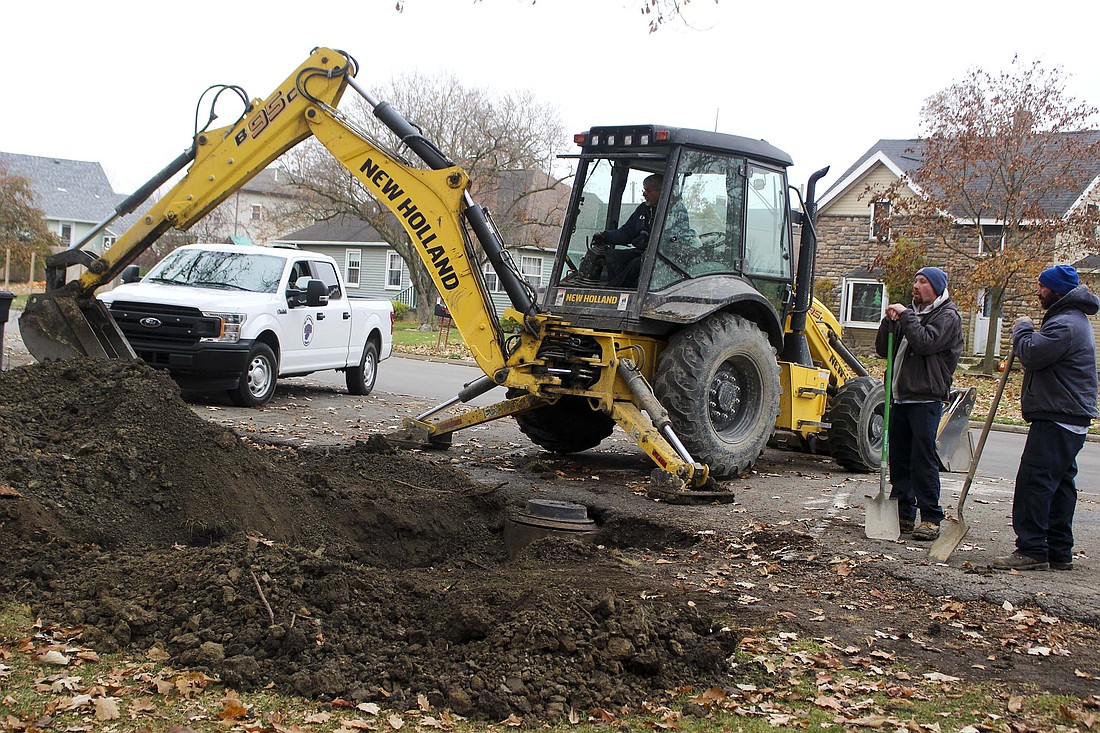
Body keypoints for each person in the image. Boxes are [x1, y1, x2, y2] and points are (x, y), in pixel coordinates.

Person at [991, 265, 1099, 571]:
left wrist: (1022, 328)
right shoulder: (1072, 320)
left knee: (1034, 483)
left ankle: (1033, 548)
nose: (1039, 292)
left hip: (1058, 416)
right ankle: (1059, 550)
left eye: (1042, 287)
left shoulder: (1065, 324)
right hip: (1068, 416)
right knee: (1060, 485)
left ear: (1056, 290)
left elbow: (1031, 353)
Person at [875, 266, 964, 541]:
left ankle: (930, 517)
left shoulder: (947, 316)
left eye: (923, 282)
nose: (916, 285)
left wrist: (906, 316)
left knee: (922, 458)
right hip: (900, 396)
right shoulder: (911, 314)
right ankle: (903, 511)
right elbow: (882, 349)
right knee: (899, 457)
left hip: (926, 396)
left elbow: (926, 342)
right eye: (915, 280)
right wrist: (889, 323)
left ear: (935, 287)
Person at [594, 173, 663, 287]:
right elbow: (627, 232)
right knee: (612, 255)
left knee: (638, 264)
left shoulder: (673, 211)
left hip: (660, 256)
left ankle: (614, 290)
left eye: (648, 191)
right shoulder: (643, 209)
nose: (644, 194)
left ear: (661, 191)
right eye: (644, 190)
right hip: (641, 251)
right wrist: (605, 236)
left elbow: (674, 239)